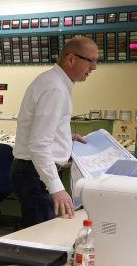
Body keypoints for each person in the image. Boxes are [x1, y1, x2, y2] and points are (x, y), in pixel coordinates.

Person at [11, 36, 97, 228]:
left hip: (32, 171)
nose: (94, 67)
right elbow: (39, 144)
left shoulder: (54, 82)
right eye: (90, 61)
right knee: (40, 238)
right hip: (35, 174)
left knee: (38, 234)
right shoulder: (55, 88)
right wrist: (56, 188)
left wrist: (66, 137)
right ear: (71, 59)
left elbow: (44, 131)